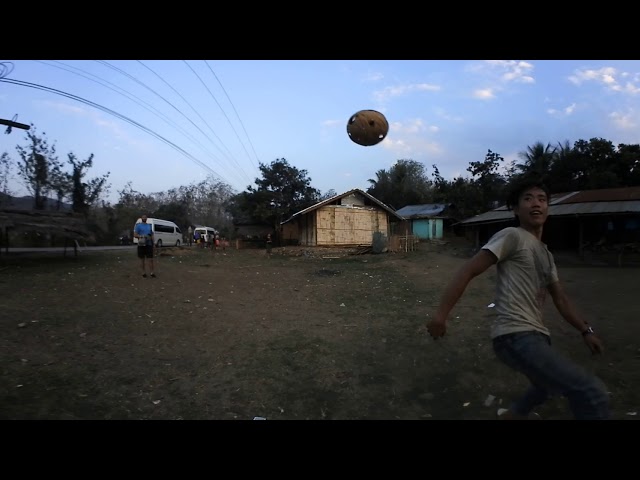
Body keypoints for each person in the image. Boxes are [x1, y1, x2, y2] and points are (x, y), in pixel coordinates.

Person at [426, 178, 610, 420]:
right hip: (515, 335)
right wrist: (441, 316)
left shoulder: (546, 254)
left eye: (542, 199)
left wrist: (586, 331)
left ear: (548, 207)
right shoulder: (512, 236)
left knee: (545, 387)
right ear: (515, 208)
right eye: (528, 198)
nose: (536, 204)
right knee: (591, 391)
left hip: (537, 336)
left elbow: (561, 300)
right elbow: (468, 270)